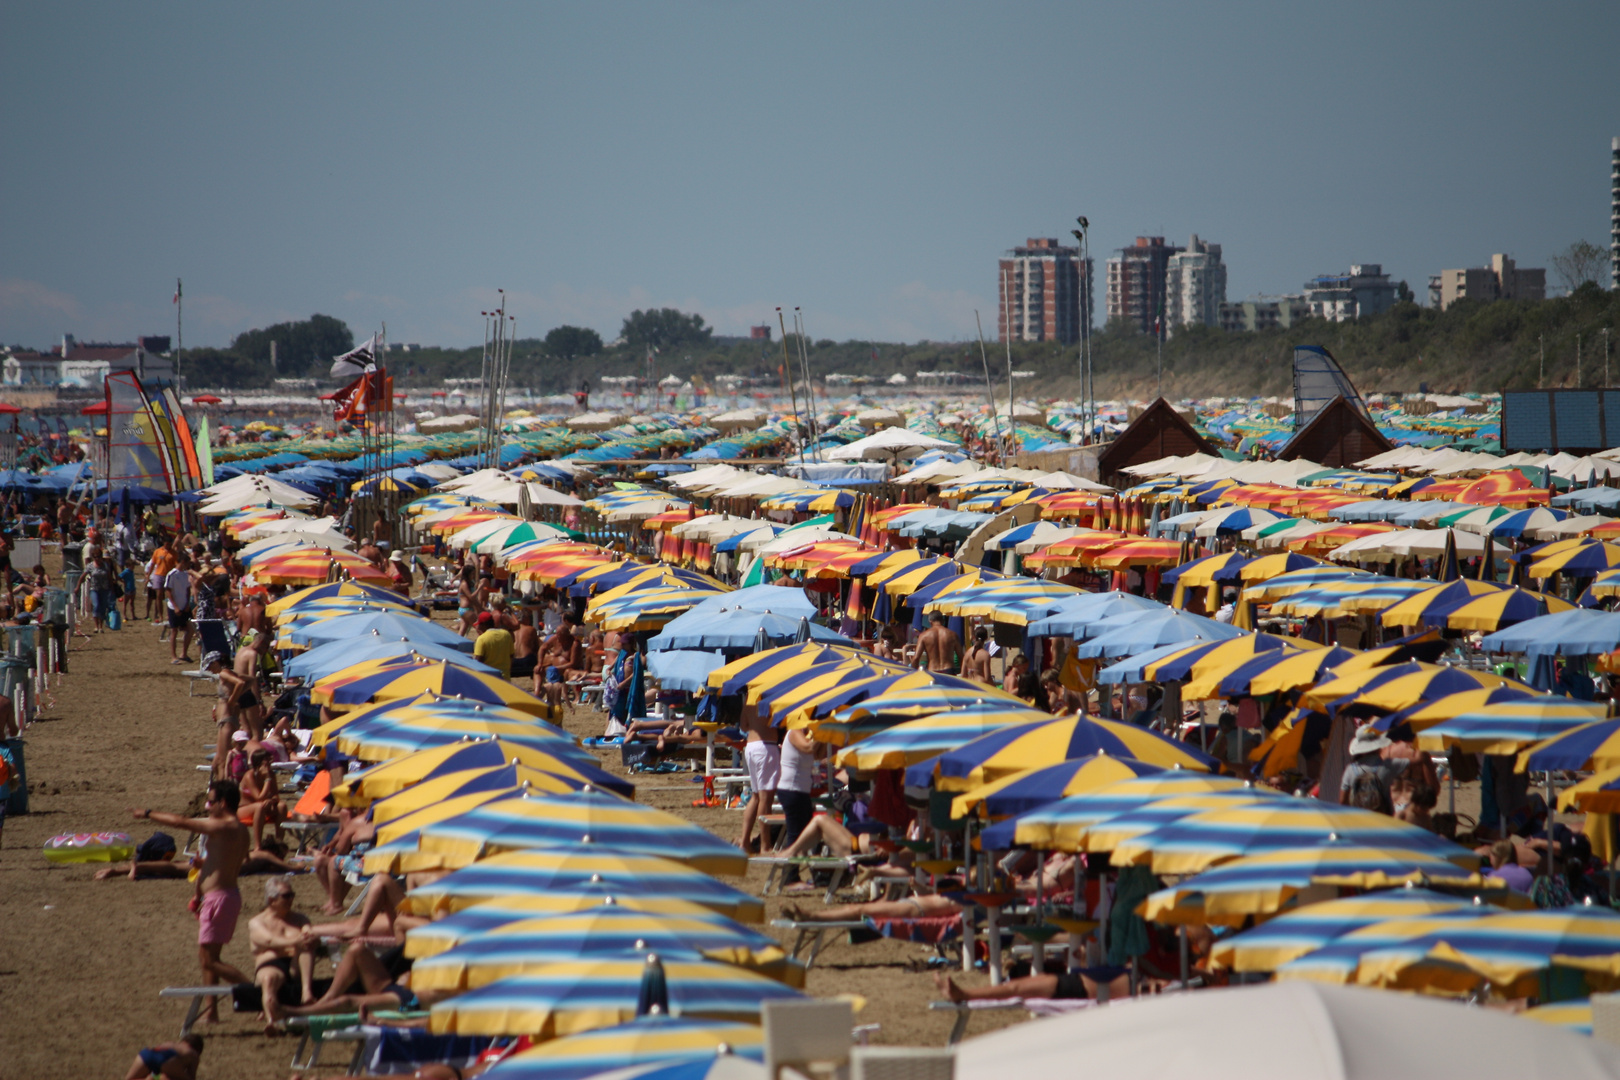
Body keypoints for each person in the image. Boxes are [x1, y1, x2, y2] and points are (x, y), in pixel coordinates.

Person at [129, 779, 252, 1025]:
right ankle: (212, 1013)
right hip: (222, 897)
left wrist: (148, 813)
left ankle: (257, 993)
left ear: (223, 803)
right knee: (209, 958)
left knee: (209, 960)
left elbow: (181, 822)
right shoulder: (239, 829)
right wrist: (203, 872)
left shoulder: (223, 825)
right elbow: (230, 863)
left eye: (210, 801)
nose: (206, 807)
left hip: (219, 899)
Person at [249, 877, 316, 1032]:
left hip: (295, 964)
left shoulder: (300, 918)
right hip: (270, 964)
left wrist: (306, 939)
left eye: (292, 895)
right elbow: (269, 941)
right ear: (272, 899)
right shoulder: (257, 922)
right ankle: (272, 1021)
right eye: (286, 896)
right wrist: (296, 941)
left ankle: (307, 992)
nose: (291, 899)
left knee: (306, 945)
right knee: (269, 979)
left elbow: (309, 934)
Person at [738, 707, 779, 854]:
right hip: (766, 746)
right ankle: (765, 845)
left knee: (755, 797)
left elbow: (743, 725)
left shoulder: (749, 699)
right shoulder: (770, 694)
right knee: (765, 798)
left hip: (751, 746)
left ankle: (744, 842)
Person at [122, 1034, 203, 1080]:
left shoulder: (172, 1043)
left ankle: (151, 1078)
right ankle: (154, 1078)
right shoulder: (193, 1054)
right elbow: (192, 1077)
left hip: (148, 1052)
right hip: (169, 1057)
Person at [165, 554, 196, 664]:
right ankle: (173, 656)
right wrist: (176, 606)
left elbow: (187, 590)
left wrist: (187, 604)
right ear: (183, 562)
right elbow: (168, 591)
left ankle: (184, 653)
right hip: (174, 607)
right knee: (174, 631)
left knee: (190, 628)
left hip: (184, 606)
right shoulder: (172, 574)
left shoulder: (184, 574)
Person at [472, 611, 514, 679]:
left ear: (484, 625)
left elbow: (478, 661)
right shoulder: (506, 634)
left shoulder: (482, 639)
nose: (478, 627)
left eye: (479, 625)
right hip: (505, 678)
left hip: (489, 679)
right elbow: (511, 655)